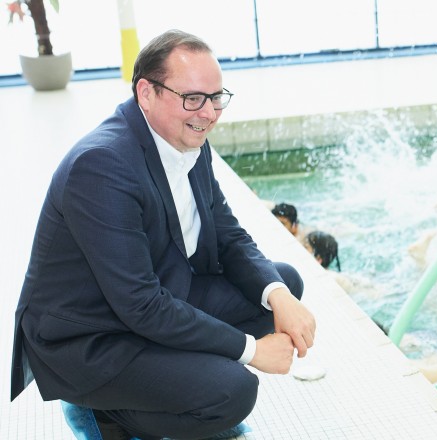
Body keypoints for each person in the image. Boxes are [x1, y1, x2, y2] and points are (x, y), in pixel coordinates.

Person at [10, 30, 316, 440]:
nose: (207, 113)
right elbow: (139, 304)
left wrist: (279, 295)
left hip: (160, 295)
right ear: (146, 93)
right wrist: (252, 350)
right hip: (95, 335)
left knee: (283, 284)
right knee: (233, 391)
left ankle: (170, 376)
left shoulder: (188, 137)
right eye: (193, 98)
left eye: (216, 97)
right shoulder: (101, 166)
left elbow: (229, 237)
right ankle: (102, 412)